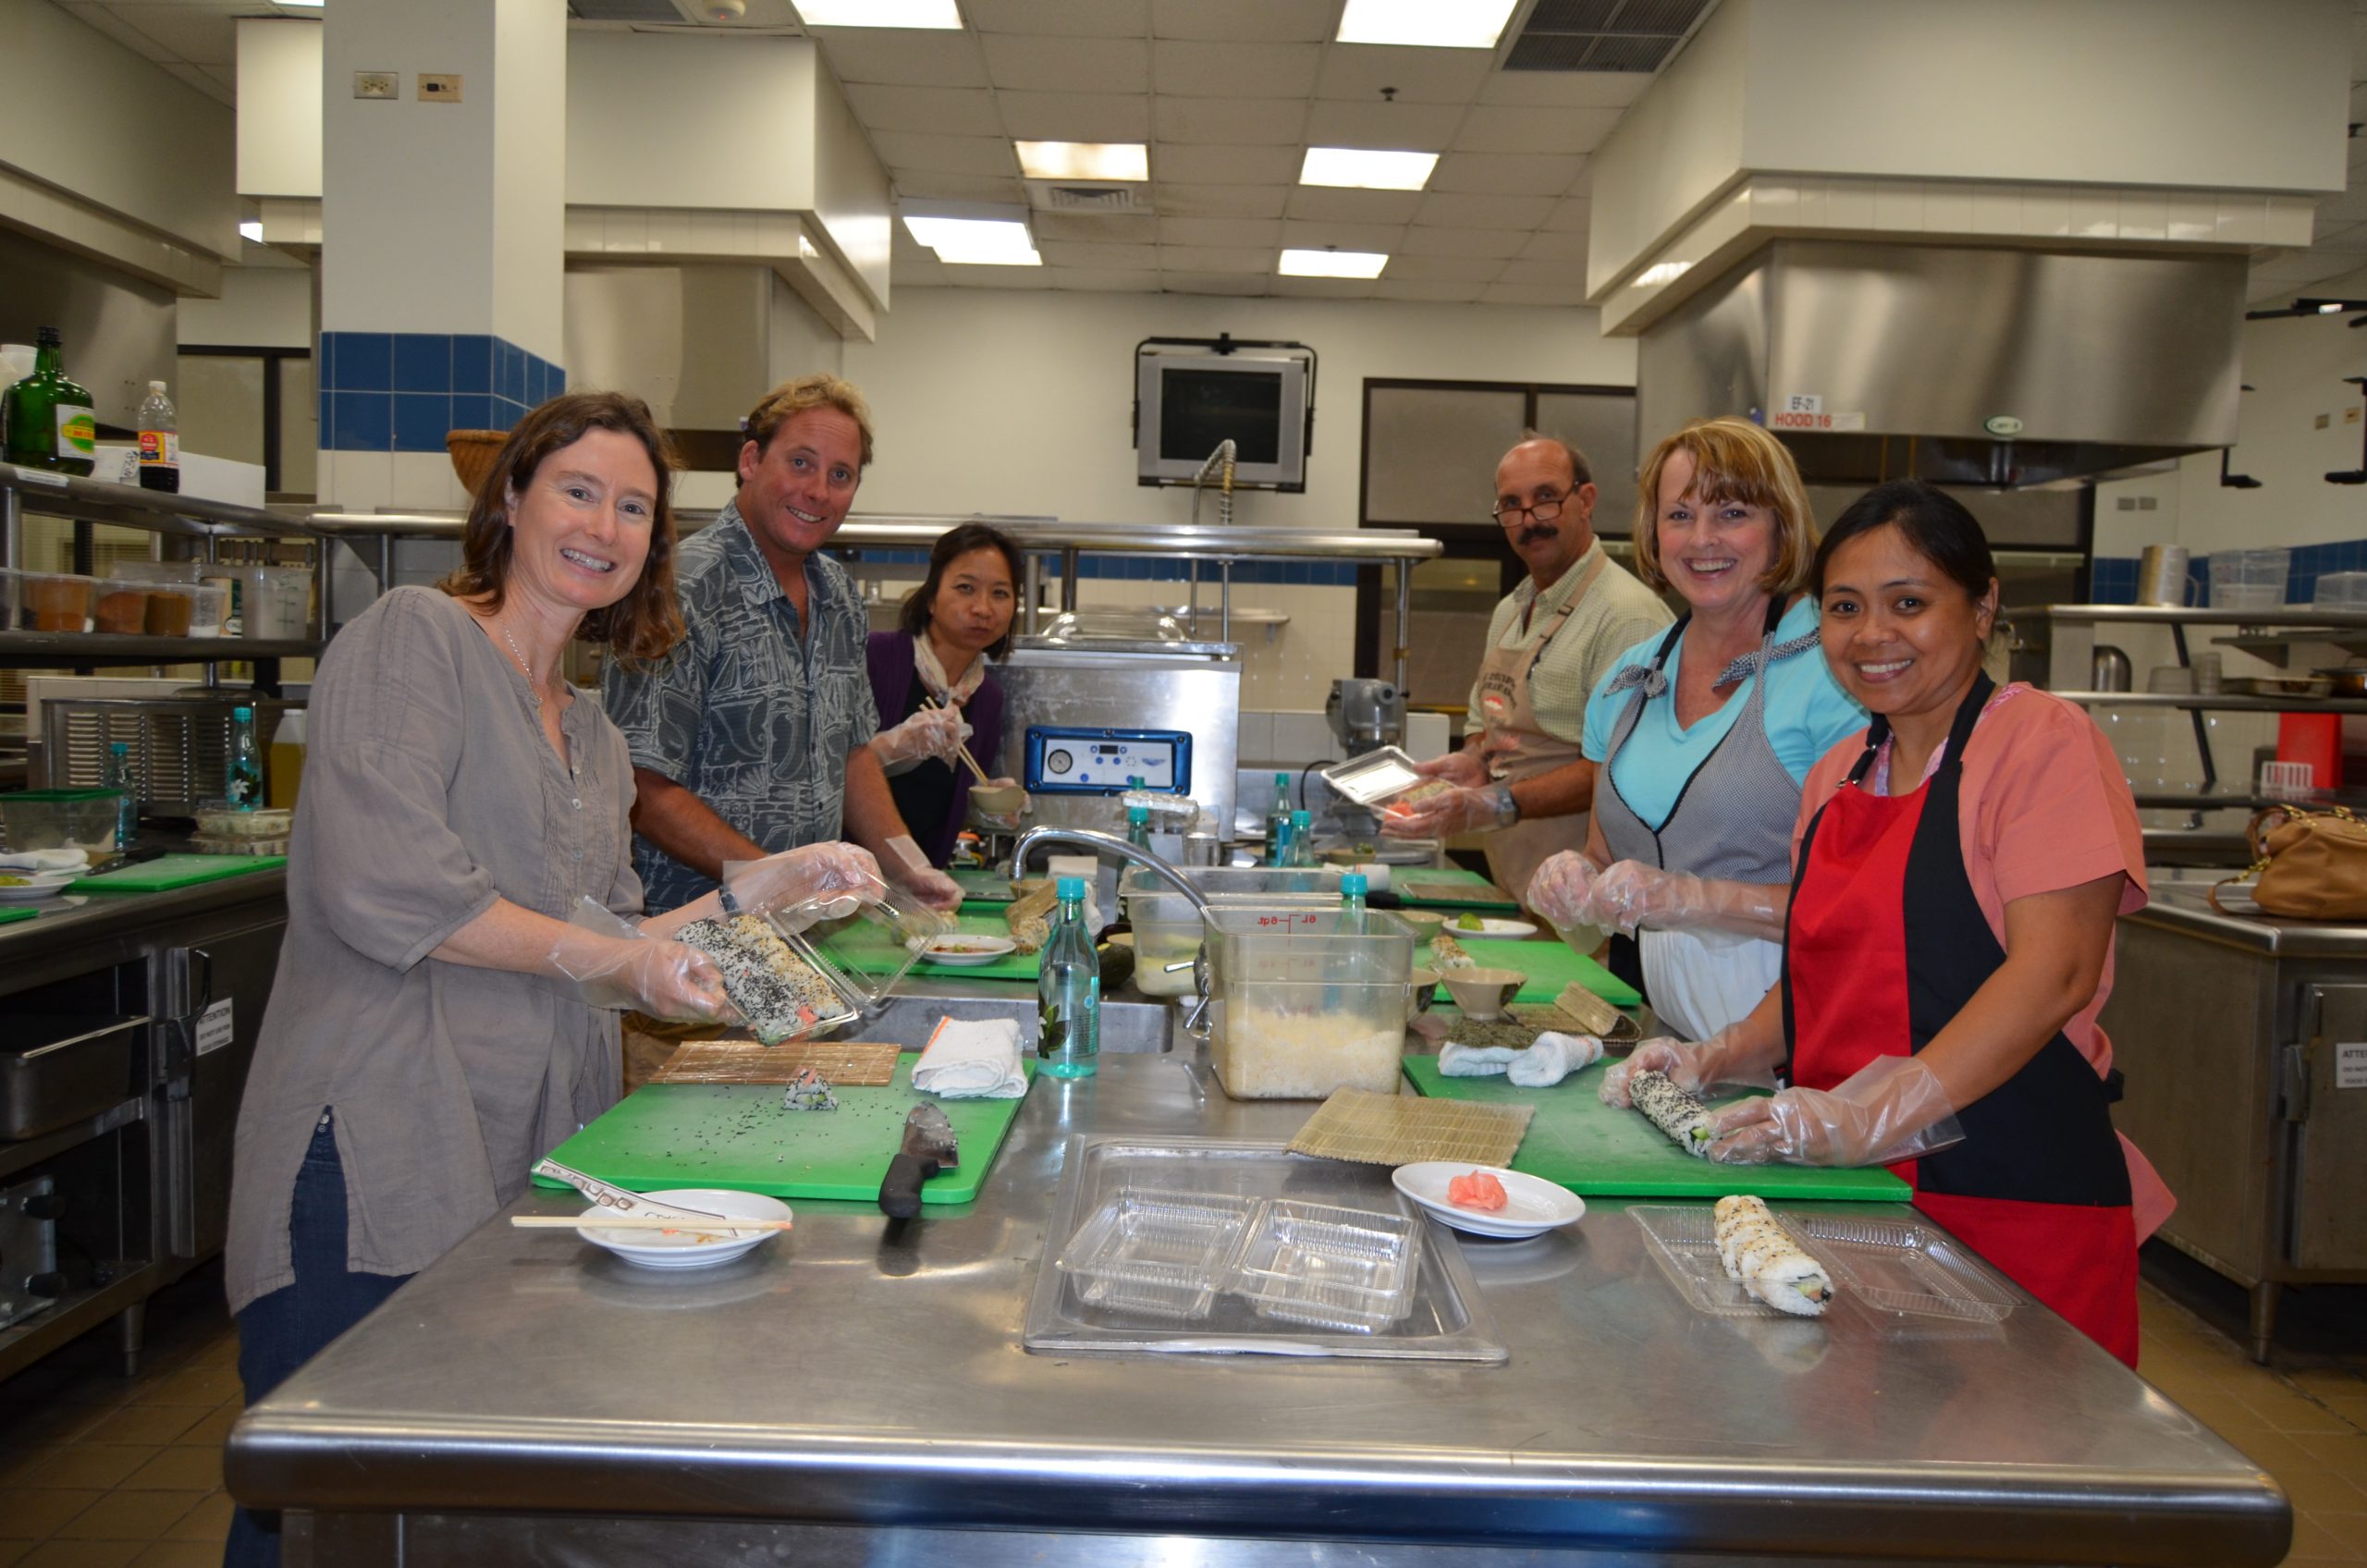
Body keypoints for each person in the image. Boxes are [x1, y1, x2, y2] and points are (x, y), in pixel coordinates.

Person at [222, 393, 879, 1565]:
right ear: (513, 499)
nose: (606, 525)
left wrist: (764, 889)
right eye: (579, 490)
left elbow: (605, 936)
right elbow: (386, 888)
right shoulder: (410, 637)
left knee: (443, 1509)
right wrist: (626, 955)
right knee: (323, 1506)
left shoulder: (593, 732)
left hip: (516, 1148)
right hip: (379, 1136)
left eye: (634, 508)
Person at [1597, 479, 2171, 1366]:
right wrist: (1719, 1057)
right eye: (1844, 607)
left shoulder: (2040, 744)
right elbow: (1820, 979)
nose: (1872, 635)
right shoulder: (1837, 774)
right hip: (1851, 1199)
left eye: (1910, 604)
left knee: (2012, 1478)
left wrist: (1875, 1113)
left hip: (2006, 1196)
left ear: (1982, 607)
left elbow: (2052, 973)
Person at [1526, 419, 1863, 1041]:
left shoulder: (1840, 676)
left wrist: (1694, 899)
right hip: (1674, 1028)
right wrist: (1577, 878)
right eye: (1679, 516)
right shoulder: (1627, 682)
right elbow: (1607, 858)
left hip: (1808, 1032)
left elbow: (1865, 903)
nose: (1702, 540)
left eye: (1732, 512)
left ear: (1781, 526)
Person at [604, 373, 962, 913]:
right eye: (800, 462)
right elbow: (641, 785)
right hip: (687, 934)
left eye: (840, 474)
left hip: (802, 929)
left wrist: (908, 867)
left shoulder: (838, 594)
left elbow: (852, 753)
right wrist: (774, 882)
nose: (818, 490)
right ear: (751, 461)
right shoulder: (683, 588)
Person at [1380, 434, 1672, 902]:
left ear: (1586, 500)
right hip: (1518, 882)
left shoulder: (1626, 616)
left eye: (1546, 499)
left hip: (1593, 899)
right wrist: (1473, 761)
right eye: (1511, 505)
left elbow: (1622, 771)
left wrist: (1494, 804)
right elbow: (1487, 726)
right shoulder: (1511, 611)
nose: (1529, 520)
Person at [865, 521, 1025, 865]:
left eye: (1000, 593)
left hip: (921, 878)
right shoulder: (873, 658)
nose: (983, 608)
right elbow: (821, 770)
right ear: (932, 598)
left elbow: (940, 803)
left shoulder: (986, 699)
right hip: (843, 877)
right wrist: (885, 750)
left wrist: (983, 807)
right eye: (966, 588)